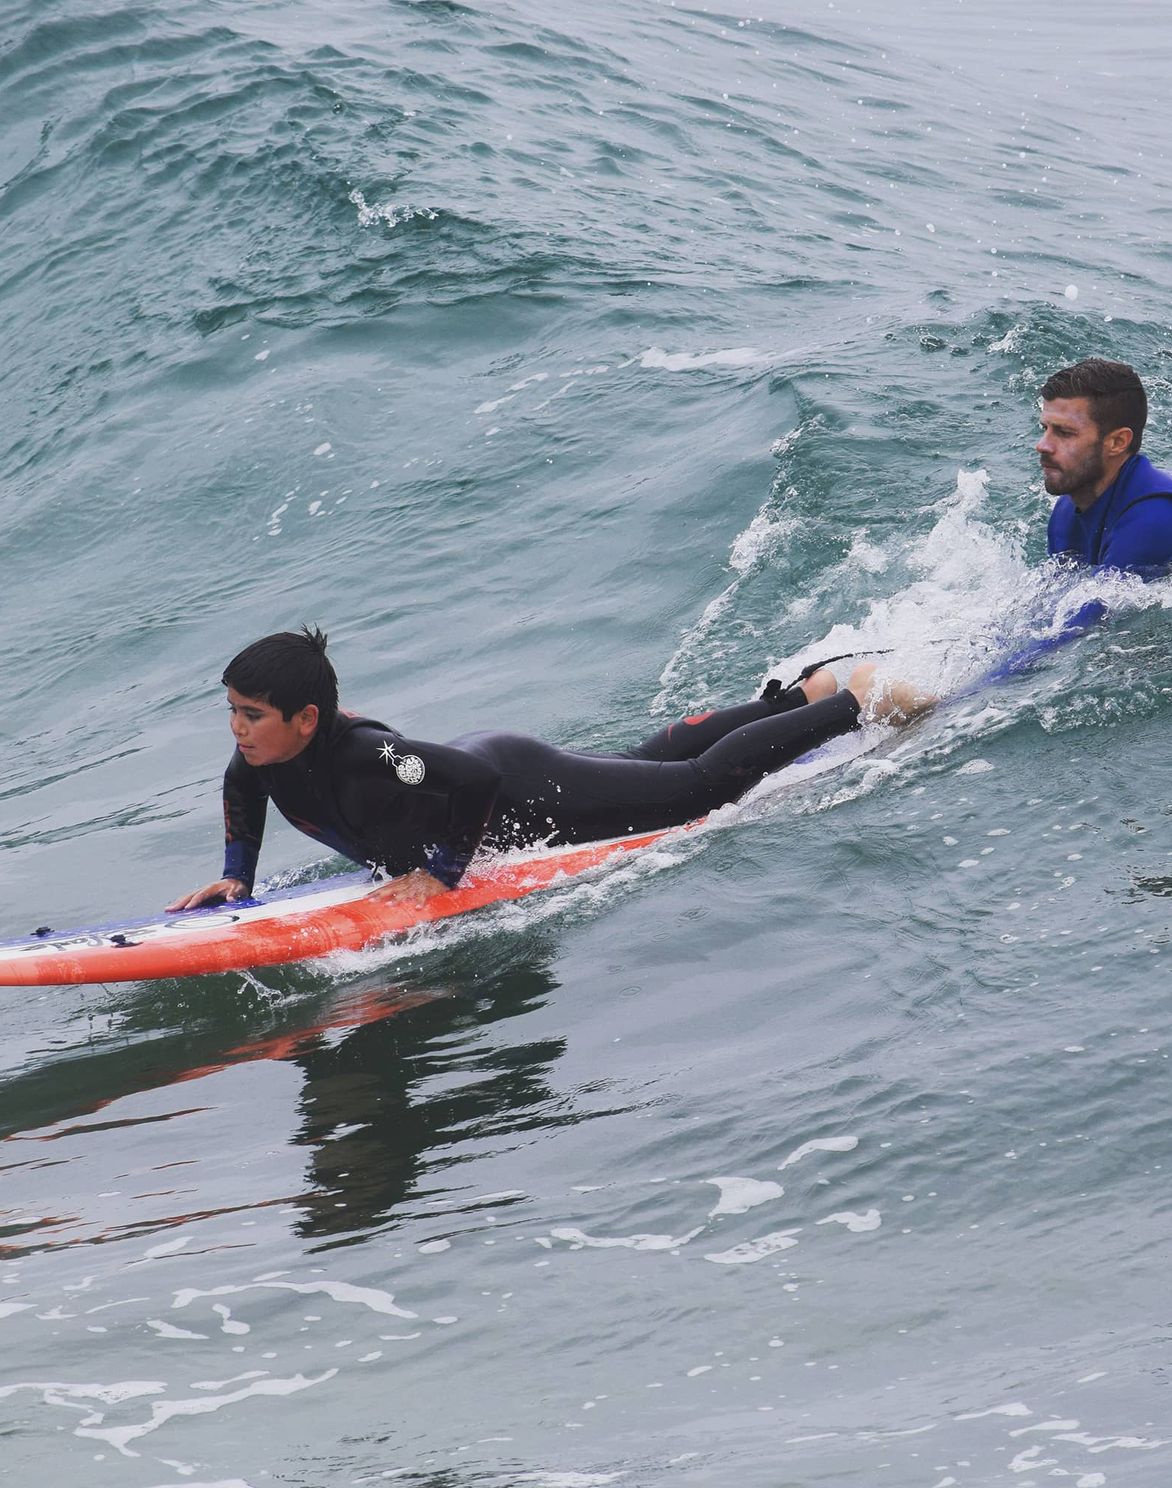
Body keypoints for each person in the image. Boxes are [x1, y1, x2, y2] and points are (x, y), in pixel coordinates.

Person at [167, 628, 929, 911]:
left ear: (306, 719)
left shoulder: (371, 757)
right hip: (496, 762)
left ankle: (852, 703)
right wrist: (238, 874)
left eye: (252, 715)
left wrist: (440, 872)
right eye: (231, 712)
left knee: (694, 792)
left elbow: (472, 785)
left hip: (518, 786)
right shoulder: (259, 755)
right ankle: (803, 694)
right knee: (642, 765)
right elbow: (242, 790)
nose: (238, 730)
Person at [1039, 357, 1172, 573]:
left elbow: (1101, 606)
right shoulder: (1068, 508)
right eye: (1044, 428)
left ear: (1117, 442)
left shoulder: (1155, 517)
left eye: (1064, 433)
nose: (1042, 445)